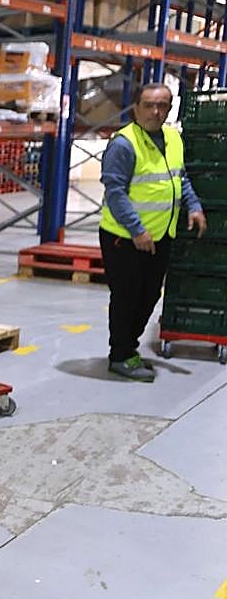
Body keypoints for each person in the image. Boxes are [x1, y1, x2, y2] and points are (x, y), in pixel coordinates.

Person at [99, 81, 206, 382]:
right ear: (136, 107)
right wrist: (136, 230)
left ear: (169, 109)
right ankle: (120, 354)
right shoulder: (124, 143)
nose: (155, 112)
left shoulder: (172, 138)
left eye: (162, 106)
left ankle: (127, 349)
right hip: (125, 237)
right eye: (149, 105)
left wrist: (194, 205)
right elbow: (115, 192)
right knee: (126, 297)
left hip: (160, 236)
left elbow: (179, 178)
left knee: (148, 296)